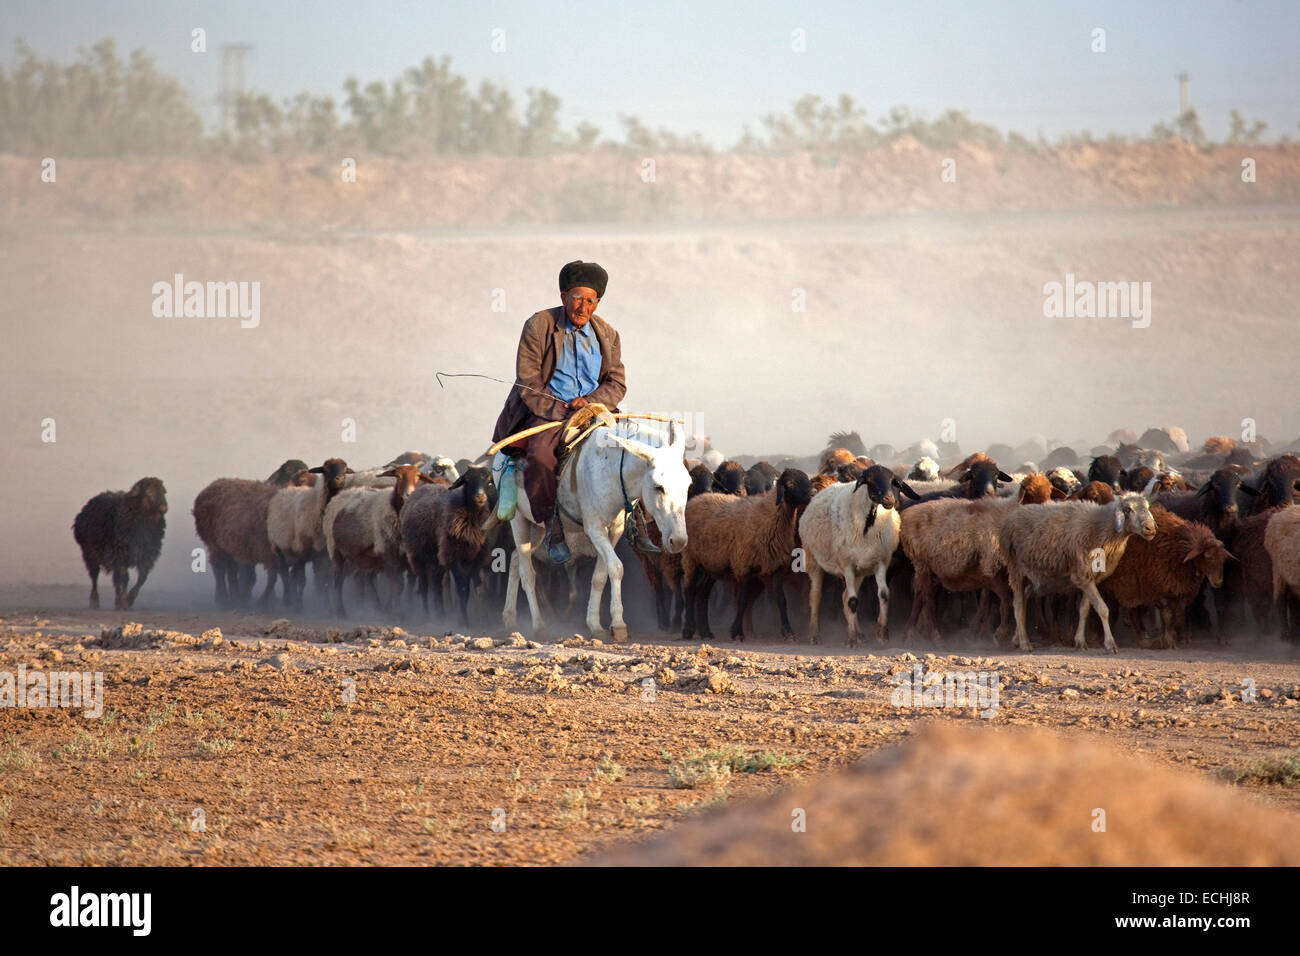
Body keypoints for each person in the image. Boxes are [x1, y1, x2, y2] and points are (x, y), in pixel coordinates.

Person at [491, 260, 626, 563]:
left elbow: (616, 382)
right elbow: (528, 379)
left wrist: (592, 401)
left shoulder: (609, 334)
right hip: (548, 411)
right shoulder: (539, 325)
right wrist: (560, 408)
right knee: (540, 456)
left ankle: (638, 523)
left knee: (634, 452)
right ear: (564, 295)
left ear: (598, 302)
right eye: (577, 298)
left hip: (594, 412)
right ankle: (552, 525)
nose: (583, 306)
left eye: (590, 300)